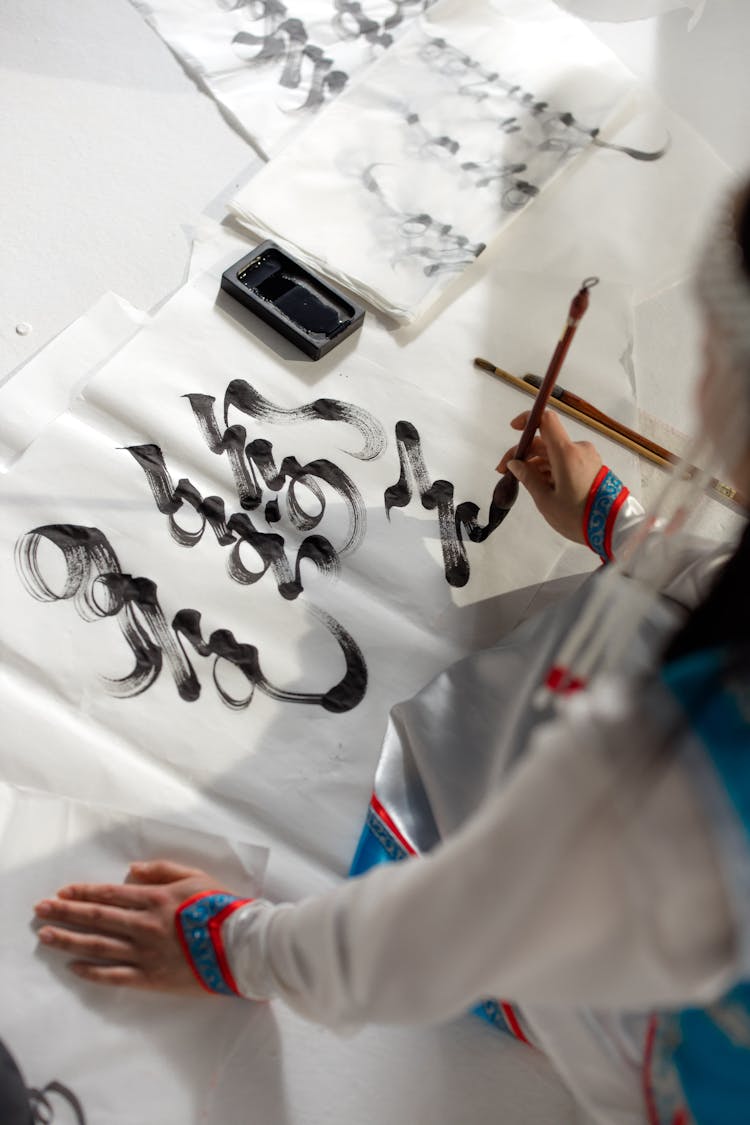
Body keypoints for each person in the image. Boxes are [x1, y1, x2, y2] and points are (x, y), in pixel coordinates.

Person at [32, 183, 750, 1125]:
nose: (695, 377)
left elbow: (451, 928)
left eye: (712, 348)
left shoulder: (683, 786)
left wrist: (234, 946)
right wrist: (623, 528)